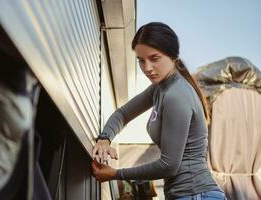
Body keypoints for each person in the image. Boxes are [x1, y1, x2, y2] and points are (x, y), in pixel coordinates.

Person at [91, 22, 226, 200]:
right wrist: (104, 138)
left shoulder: (176, 95)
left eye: (154, 58)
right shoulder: (159, 88)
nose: (147, 68)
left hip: (196, 194)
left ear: (172, 56)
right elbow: (123, 114)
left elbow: (168, 165)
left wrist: (116, 174)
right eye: (141, 60)